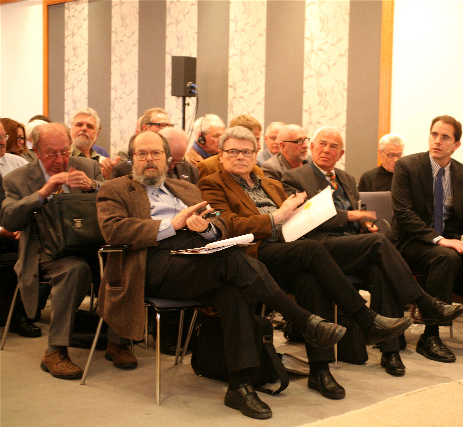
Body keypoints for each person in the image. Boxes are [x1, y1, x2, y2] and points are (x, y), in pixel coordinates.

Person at [97, 130, 347, 419]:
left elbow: (220, 222)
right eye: (142, 154)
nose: (149, 159)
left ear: (167, 159)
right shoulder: (115, 189)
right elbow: (113, 230)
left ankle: (240, 386)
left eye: (156, 153)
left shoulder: (186, 189)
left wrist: (208, 230)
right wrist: (171, 224)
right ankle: (304, 321)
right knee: (233, 260)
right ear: (132, 159)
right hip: (152, 264)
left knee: (232, 291)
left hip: (198, 258)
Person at [198, 126, 443, 394]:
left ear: (255, 154)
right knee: (313, 250)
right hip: (253, 253)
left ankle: (320, 370)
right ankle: (366, 317)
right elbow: (227, 223)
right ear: (221, 154)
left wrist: (305, 213)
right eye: (233, 151)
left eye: (246, 152)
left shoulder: (269, 184)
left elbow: (295, 219)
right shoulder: (212, 183)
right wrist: (277, 216)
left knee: (311, 281)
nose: (240, 157)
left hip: (287, 248)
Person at [281, 126, 463, 376]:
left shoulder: (346, 178)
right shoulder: (294, 178)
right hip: (317, 248)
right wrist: (351, 216)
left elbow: (357, 216)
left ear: (341, 153)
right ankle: (425, 302)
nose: (326, 150)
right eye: (322, 144)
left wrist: (363, 224)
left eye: (334, 147)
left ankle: (390, 352)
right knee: (379, 243)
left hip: (350, 246)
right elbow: (302, 220)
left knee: (382, 272)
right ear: (312, 147)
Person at [390, 115, 463, 363]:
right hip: (411, 242)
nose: (437, 141)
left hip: (449, 241)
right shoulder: (407, 166)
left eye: (445, 137)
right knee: (446, 256)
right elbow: (404, 214)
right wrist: (439, 239)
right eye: (434, 135)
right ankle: (430, 336)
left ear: (456, 145)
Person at [0, 123, 113, 379]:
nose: (61, 160)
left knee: (123, 262)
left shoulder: (87, 167)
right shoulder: (17, 179)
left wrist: (93, 186)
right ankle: (55, 351)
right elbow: (8, 219)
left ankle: (117, 341)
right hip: (44, 254)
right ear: (36, 151)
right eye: (52, 153)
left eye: (65, 151)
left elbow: (113, 197)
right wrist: (43, 192)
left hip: (89, 247)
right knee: (75, 269)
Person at [0, 121, 33, 335]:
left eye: (3, 137)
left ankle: (22, 312)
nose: (2, 142)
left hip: (18, 228)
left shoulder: (17, 163)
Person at [112, 127, 198, 184]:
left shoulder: (191, 171)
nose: (173, 166)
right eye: (171, 160)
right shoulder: (122, 171)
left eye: (178, 161)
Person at [69, 108, 117, 179]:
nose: (84, 128)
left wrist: (109, 179)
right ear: (70, 131)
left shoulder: (103, 163)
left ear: (96, 135)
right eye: (79, 125)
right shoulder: (63, 157)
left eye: (90, 126)